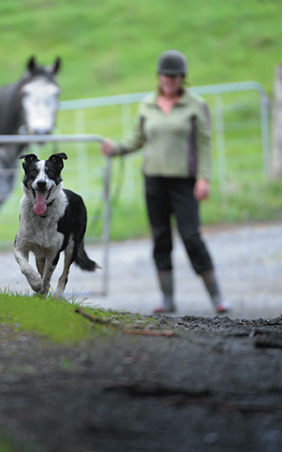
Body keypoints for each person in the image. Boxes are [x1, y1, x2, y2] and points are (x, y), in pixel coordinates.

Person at [101, 49, 230, 314]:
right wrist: (116, 149)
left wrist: (204, 177)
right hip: (154, 181)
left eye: (174, 76)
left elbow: (204, 144)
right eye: (165, 75)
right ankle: (168, 299)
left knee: (191, 237)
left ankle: (216, 296)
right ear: (159, 77)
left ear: (183, 78)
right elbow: (137, 139)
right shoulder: (147, 105)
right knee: (160, 238)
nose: (169, 80)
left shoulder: (196, 105)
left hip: (185, 181)